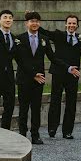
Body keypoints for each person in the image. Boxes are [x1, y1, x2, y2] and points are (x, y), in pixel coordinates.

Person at [12, 11, 54, 145]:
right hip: (25, 79)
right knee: (23, 108)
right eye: (31, 21)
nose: (34, 23)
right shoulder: (19, 39)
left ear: (39, 23)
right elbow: (19, 60)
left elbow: (52, 57)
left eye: (36, 21)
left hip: (39, 79)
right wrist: (32, 75)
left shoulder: (44, 39)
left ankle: (35, 135)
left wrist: (68, 67)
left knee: (36, 108)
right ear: (26, 23)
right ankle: (22, 134)